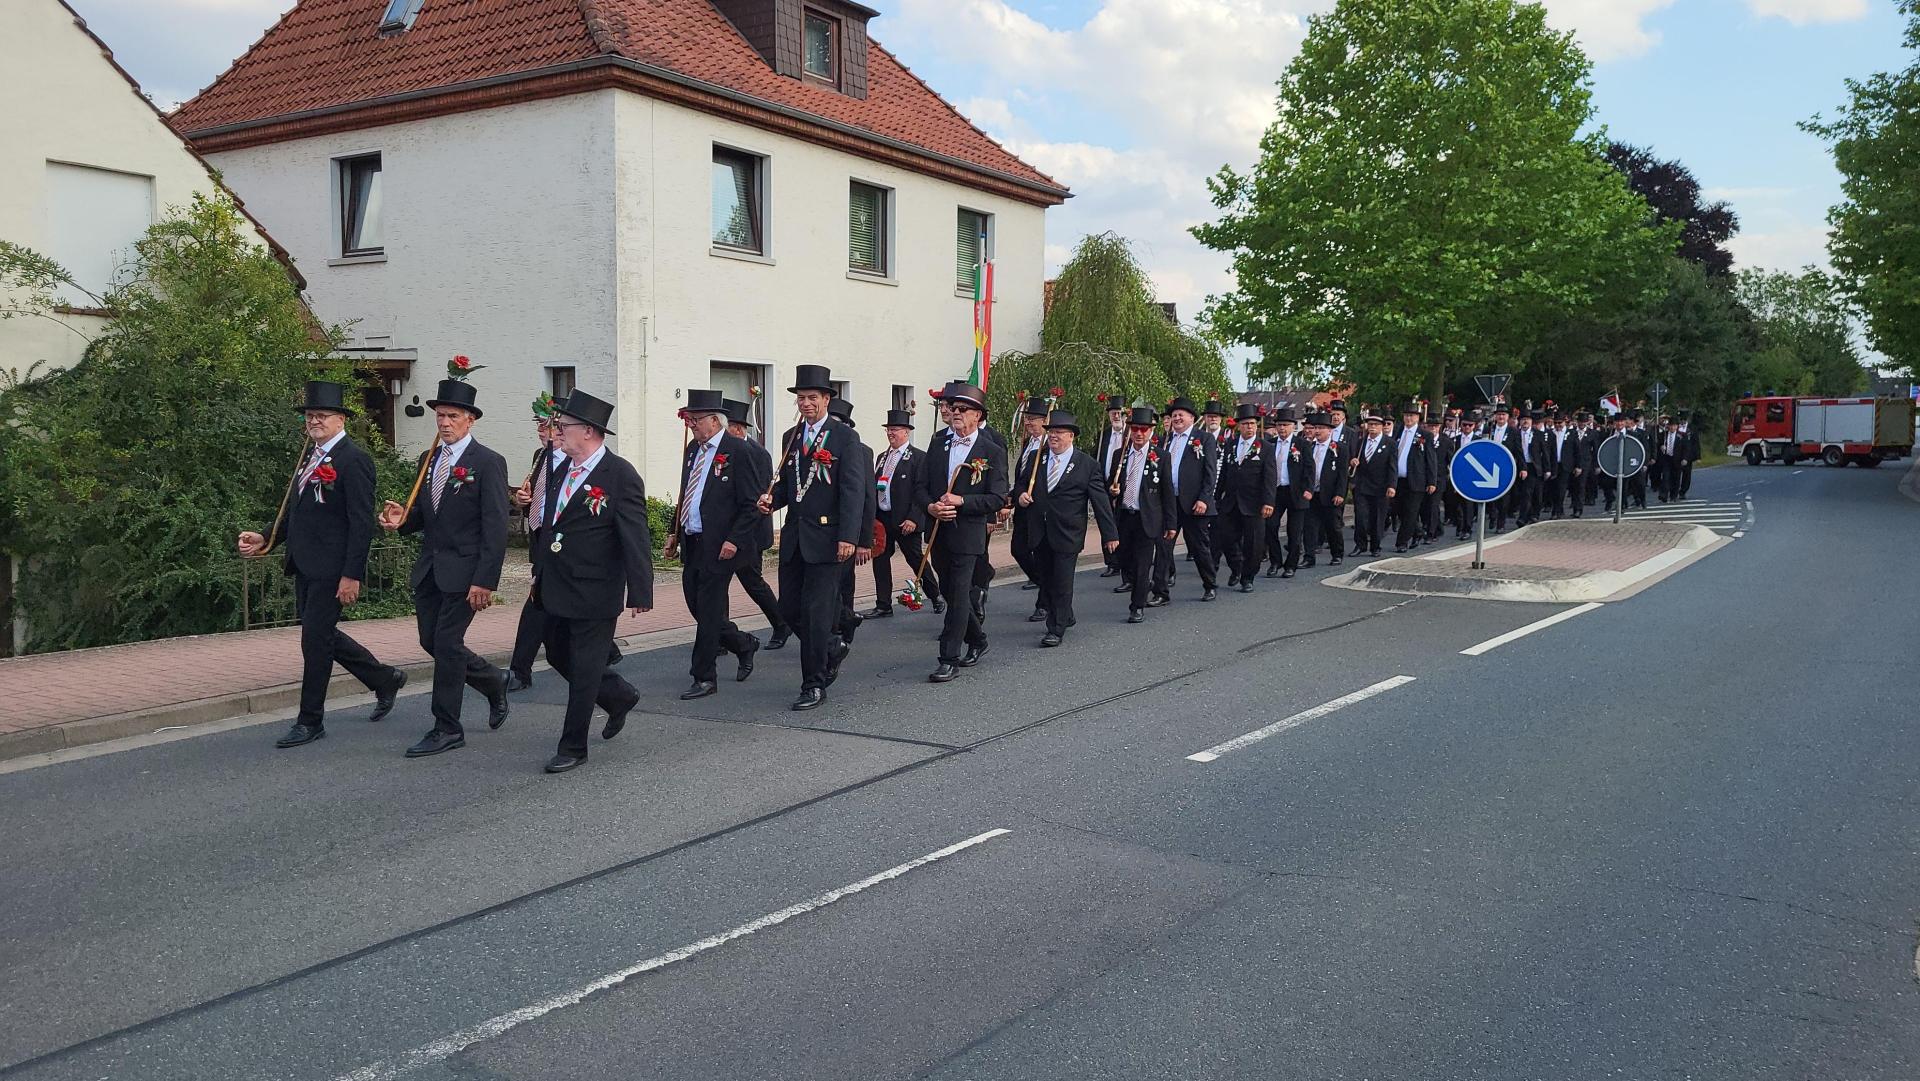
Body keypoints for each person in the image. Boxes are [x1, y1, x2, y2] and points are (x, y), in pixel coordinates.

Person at [239, 381, 407, 749]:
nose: (314, 421)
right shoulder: (310, 456)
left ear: (340, 420)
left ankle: (310, 720)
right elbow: (296, 513)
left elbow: (361, 524)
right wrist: (266, 538)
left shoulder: (354, 460)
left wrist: (352, 574)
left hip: (333, 568)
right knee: (321, 634)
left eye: (322, 416)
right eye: (310, 416)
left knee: (315, 642)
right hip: (304, 563)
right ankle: (384, 678)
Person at [377, 375, 511, 758]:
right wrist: (403, 519)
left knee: (448, 645)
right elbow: (426, 515)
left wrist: (485, 580)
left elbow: (496, 527)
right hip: (430, 569)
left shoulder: (488, 462)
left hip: (466, 573)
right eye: (440, 416)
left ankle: (447, 727)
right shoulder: (429, 459)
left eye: (453, 416)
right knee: (430, 641)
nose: (445, 423)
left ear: (471, 419)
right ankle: (492, 680)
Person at [538, 389, 652, 773]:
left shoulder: (619, 475)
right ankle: (618, 695)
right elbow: (553, 524)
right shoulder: (562, 469)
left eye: (564, 426)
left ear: (588, 431)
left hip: (595, 587)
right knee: (557, 653)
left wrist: (640, 590)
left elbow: (635, 535)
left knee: (585, 668)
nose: (558, 431)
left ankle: (573, 746)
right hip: (556, 583)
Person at [761, 365, 863, 711]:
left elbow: (853, 490)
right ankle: (831, 647)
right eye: (801, 398)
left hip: (828, 538)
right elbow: (789, 486)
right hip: (794, 537)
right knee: (788, 609)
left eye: (812, 398)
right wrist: (771, 500)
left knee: (816, 613)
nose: (805, 403)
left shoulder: (843, 437)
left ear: (826, 399)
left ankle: (813, 684)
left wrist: (849, 536)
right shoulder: (791, 436)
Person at [668, 389, 768, 701]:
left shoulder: (738, 450)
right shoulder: (692, 451)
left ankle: (704, 676)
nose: (691, 425)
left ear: (714, 421)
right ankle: (743, 643)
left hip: (722, 544)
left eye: (696, 420)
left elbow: (751, 504)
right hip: (693, 540)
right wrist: (674, 531)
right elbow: (686, 491)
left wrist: (734, 539)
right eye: (689, 420)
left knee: (710, 610)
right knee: (696, 605)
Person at [918, 382, 1009, 682]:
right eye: (952, 408)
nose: (955, 413)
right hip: (938, 531)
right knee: (949, 590)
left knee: (958, 593)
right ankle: (978, 639)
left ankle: (948, 658)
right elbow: (921, 486)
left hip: (968, 534)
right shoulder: (938, 443)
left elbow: (997, 498)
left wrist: (962, 501)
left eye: (962, 409)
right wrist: (931, 507)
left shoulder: (991, 451)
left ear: (977, 415)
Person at [1017, 410, 1117, 646]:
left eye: (1059, 432)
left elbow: (1100, 502)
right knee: (1047, 579)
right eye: (1051, 431)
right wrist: (1020, 495)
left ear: (1071, 436)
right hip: (1040, 530)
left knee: (1062, 581)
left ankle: (1055, 628)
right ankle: (1066, 614)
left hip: (1067, 532)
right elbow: (1022, 484)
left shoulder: (1086, 465)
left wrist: (1110, 534)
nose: (1053, 436)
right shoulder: (1037, 458)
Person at [507, 395, 567, 692]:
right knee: (542, 603)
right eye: (538, 425)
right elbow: (537, 494)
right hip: (540, 539)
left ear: (562, 428)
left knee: (539, 605)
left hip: (563, 544)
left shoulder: (574, 460)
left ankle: (520, 670)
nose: (540, 431)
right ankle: (521, 670)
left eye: (546, 425)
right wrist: (522, 501)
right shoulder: (540, 455)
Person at [722, 397, 793, 646]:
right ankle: (721, 634)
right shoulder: (723, 450)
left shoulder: (757, 453)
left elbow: (761, 494)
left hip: (751, 530)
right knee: (719, 584)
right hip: (727, 529)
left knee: (752, 581)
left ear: (737, 429)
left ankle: (781, 623)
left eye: (725, 428)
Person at [824, 396, 877, 680]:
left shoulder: (860, 450)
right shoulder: (812, 445)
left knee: (843, 583)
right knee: (828, 589)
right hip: (819, 532)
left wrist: (863, 540)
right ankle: (843, 621)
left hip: (848, 531)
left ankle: (841, 623)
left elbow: (866, 497)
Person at [1109, 406, 1177, 623]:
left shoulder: (1161, 457)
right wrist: (1113, 490)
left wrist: (1171, 523)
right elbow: (1110, 484)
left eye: (1143, 429)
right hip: (1124, 515)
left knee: (1142, 563)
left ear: (1151, 431)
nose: (1139, 433)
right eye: (1135, 429)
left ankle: (1137, 606)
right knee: (1124, 559)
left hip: (1147, 518)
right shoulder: (1120, 455)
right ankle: (1140, 584)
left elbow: (1167, 492)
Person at [867, 408, 936, 619]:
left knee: (915, 558)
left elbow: (921, 490)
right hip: (883, 517)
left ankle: (935, 595)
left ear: (906, 432)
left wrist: (914, 517)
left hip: (905, 518)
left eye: (895, 429)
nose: (891, 433)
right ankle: (883, 604)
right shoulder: (882, 457)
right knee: (880, 559)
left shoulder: (918, 457)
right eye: (888, 430)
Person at [1156, 397, 1219, 602]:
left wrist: (1204, 499)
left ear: (1192, 418)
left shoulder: (1204, 439)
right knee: (1164, 547)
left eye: (1181, 415)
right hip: (1169, 503)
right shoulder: (1165, 439)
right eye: (1174, 415)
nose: (1177, 418)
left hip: (1193, 503)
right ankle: (1160, 591)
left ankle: (1210, 584)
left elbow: (1210, 473)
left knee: (1199, 546)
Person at [1214, 403, 1277, 591]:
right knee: (1226, 538)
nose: (1249, 427)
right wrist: (1216, 496)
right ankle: (1237, 567)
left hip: (1254, 503)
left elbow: (1270, 477)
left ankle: (1248, 578)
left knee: (1253, 543)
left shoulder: (1266, 448)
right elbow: (1224, 473)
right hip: (1231, 502)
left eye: (1252, 423)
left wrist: (1268, 502)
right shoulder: (1231, 445)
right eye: (1245, 424)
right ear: (1239, 426)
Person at [1009, 396, 1052, 620]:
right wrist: (1015, 495)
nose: (1028, 423)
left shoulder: (1049, 445)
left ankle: (1045, 602)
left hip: (1040, 509)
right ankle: (1046, 584)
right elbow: (1021, 477)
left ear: (1045, 420)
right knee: (1018, 549)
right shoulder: (1029, 444)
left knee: (1042, 555)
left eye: (1033, 418)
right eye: (1027, 418)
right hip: (1023, 507)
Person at [1295, 413, 1349, 567]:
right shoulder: (1308, 447)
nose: (1317, 431)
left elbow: (1343, 474)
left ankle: (1337, 554)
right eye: (1316, 428)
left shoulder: (1339, 448)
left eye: (1321, 428)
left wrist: (1340, 493)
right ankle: (1309, 557)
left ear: (1330, 430)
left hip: (1330, 493)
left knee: (1333, 526)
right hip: (1311, 494)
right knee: (1309, 527)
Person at [1094, 394, 1130, 579]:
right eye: (1113, 413)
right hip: (1104, 486)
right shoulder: (1103, 435)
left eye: (1119, 413)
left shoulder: (1130, 434)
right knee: (1106, 523)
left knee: (1123, 525)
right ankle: (1111, 562)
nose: (1116, 416)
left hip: (1124, 488)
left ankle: (1125, 560)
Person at [1263, 407, 1301, 576]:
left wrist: (1307, 490)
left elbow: (1309, 469)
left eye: (1285, 425)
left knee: (1294, 531)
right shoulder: (1269, 444)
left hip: (1295, 492)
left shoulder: (1301, 445)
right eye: (1279, 425)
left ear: (1293, 426)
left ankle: (1291, 565)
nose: (1282, 428)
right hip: (1275, 491)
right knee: (1270, 526)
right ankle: (1275, 561)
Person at [1390, 403, 1432, 552]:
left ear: (1417, 418)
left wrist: (1431, 481)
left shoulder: (1425, 435)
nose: (1409, 418)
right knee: (1399, 510)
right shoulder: (1398, 432)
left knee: (1411, 511)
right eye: (1406, 415)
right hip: (1398, 479)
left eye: (1412, 416)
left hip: (1416, 480)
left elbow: (1430, 459)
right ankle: (1417, 531)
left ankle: (1402, 542)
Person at [1350, 413, 1393, 556]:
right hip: (1362, 485)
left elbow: (1392, 466)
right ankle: (1360, 544)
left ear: (1382, 427)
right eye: (1370, 424)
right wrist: (1353, 462)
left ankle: (1376, 546)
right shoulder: (1361, 442)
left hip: (1380, 486)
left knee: (1377, 517)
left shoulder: (1389, 443)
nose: (1372, 427)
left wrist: (1392, 485)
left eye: (1376, 424)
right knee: (1360, 516)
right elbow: (1353, 459)